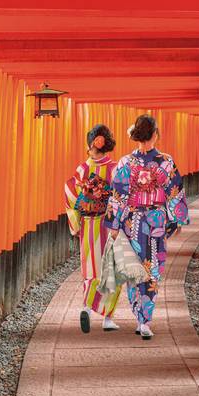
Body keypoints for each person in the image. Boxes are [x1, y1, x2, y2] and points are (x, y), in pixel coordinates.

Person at [105, 114, 190, 340]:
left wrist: (115, 225)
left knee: (135, 269)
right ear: (155, 134)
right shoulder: (165, 161)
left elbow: (118, 195)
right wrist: (176, 218)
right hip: (155, 221)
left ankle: (139, 316)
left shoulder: (125, 163)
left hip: (132, 221)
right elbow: (175, 192)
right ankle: (145, 320)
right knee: (152, 270)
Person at [64, 124, 123, 333]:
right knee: (113, 269)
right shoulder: (115, 168)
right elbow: (120, 197)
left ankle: (87, 308)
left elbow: (71, 194)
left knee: (91, 267)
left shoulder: (82, 169)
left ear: (90, 144)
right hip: (110, 224)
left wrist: (76, 222)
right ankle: (108, 318)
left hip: (89, 224)